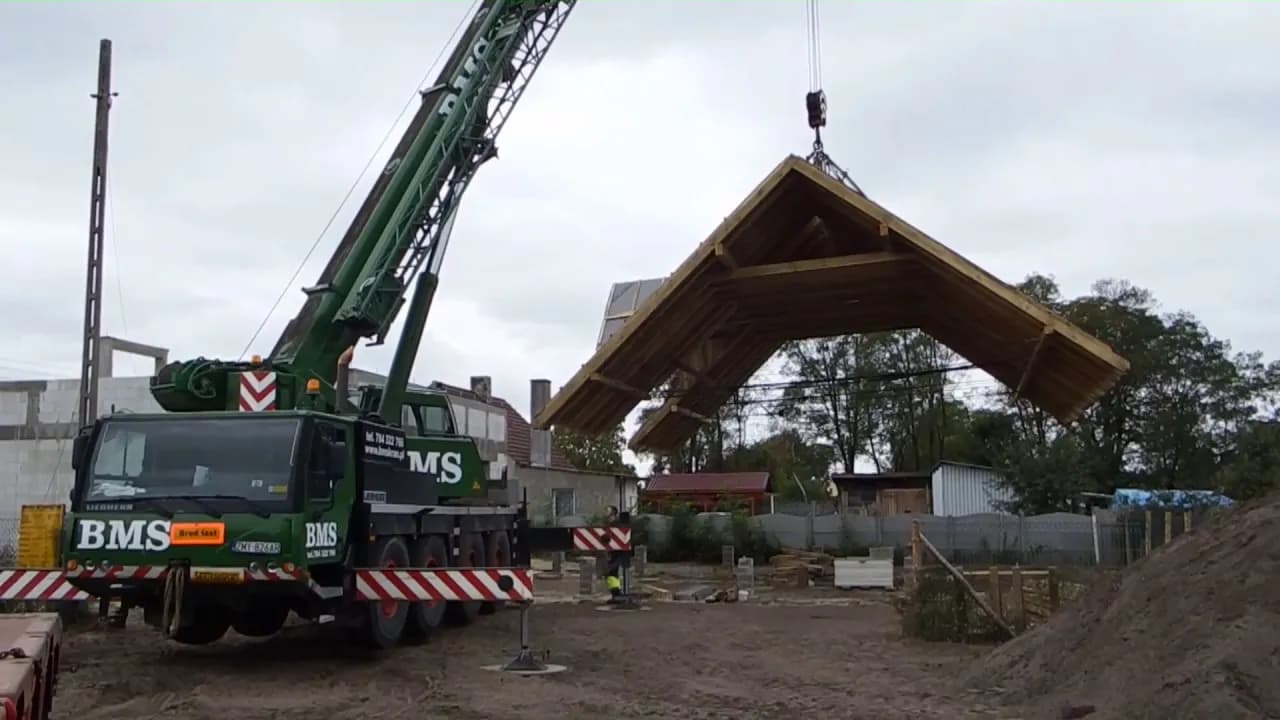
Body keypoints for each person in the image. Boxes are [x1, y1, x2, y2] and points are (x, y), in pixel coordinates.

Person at [602, 504, 625, 602]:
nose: (605, 512)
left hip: (618, 553)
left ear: (613, 513)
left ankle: (617, 595)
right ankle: (616, 594)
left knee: (611, 573)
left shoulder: (616, 524)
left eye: (608, 510)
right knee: (611, 573)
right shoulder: (609, 524)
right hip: (612, 552)